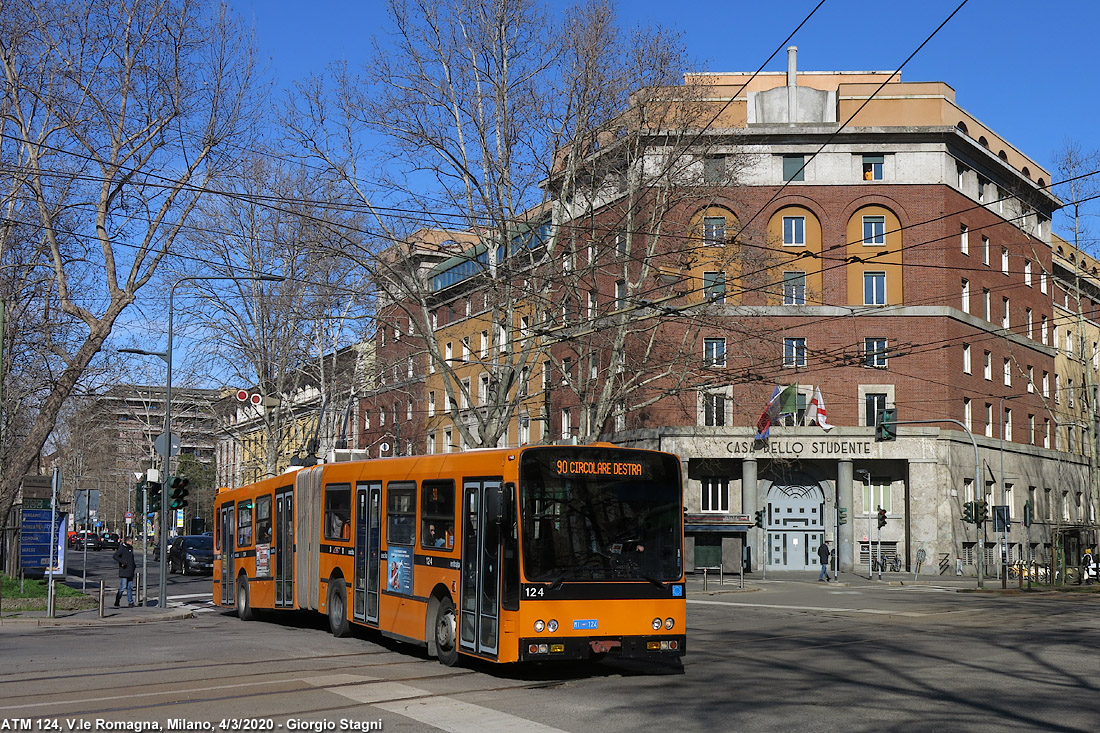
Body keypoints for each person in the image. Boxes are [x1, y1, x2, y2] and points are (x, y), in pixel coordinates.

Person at [112, 537, 137, 607]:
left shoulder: (130, 549)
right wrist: (122, 562)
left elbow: (131, 559)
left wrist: (134, 566)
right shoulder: (122, 548)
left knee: (130, 587)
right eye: (132, 541)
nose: (133, 543)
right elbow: (115, 556)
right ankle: (117, 600)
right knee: (122, 587)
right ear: (128, 542)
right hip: (124, 570)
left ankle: (130, 602)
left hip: (130, 570)